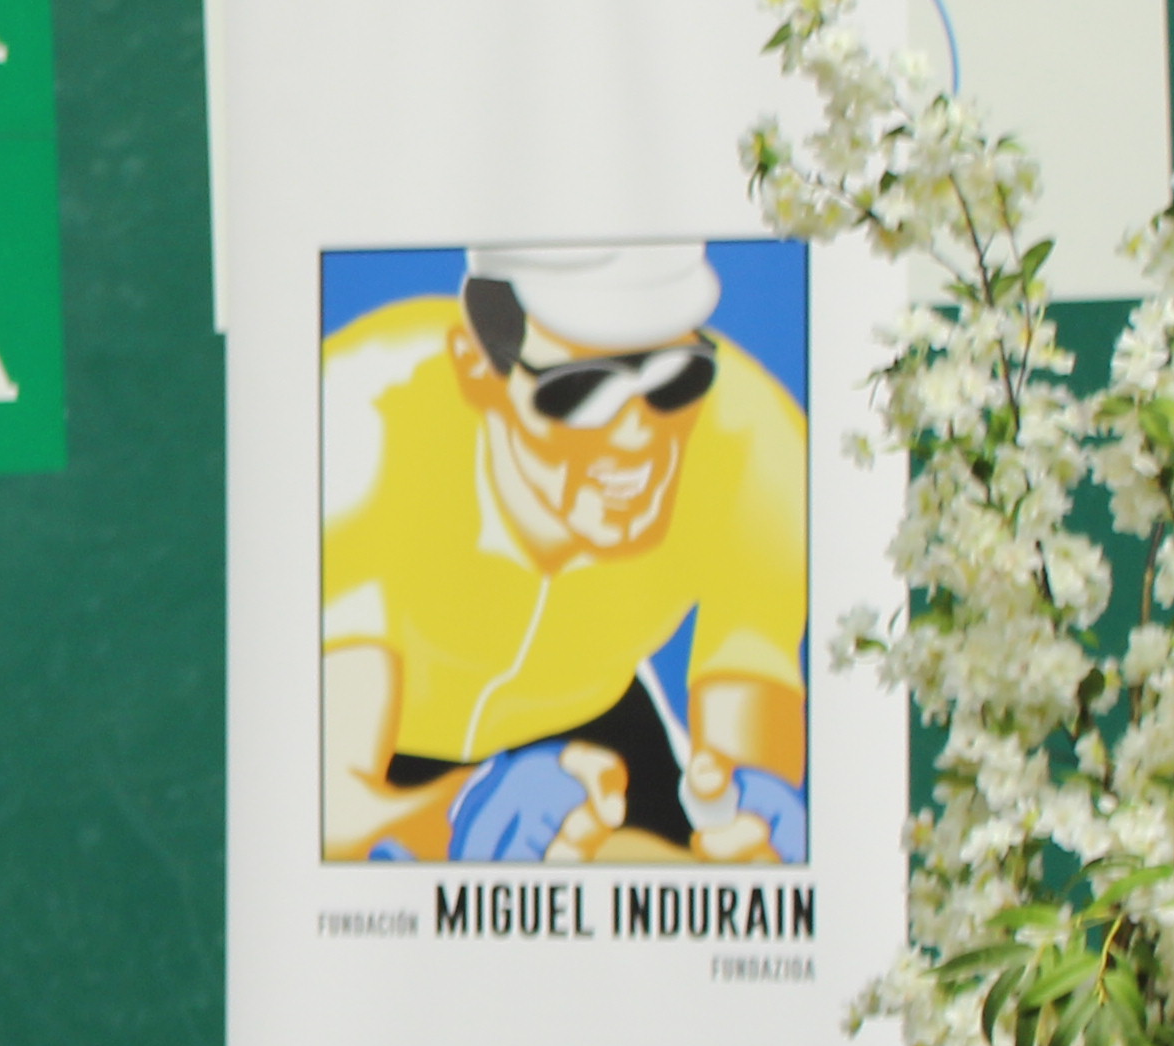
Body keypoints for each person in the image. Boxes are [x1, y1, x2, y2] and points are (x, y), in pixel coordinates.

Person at [318, 242, 812, 865]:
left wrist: (750, 820)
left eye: (675, 381)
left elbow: (739, 768)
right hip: (395, 735)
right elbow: (331, 803)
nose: (637, 437)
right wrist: (455, 812)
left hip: (595, 710)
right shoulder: (360, 421)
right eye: (580, 391)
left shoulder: (754, 445)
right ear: (477, 367)